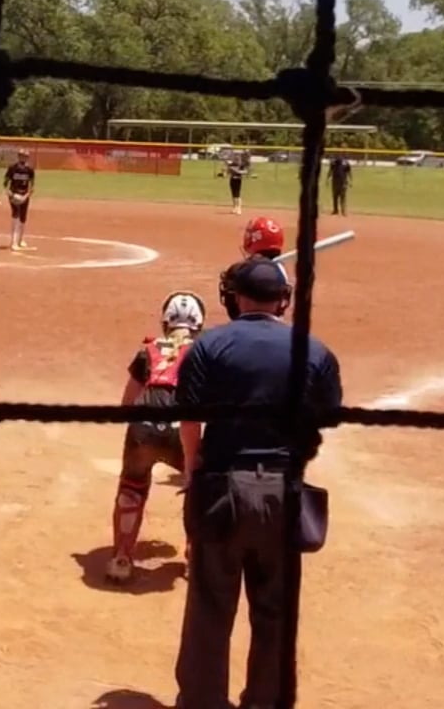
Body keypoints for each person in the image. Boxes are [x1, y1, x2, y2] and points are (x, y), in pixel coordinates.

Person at [173, 256, 343, 709]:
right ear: (283, 301)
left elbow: (189, 418)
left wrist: (192, 468)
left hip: (222, 488)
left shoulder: (209, 346)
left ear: (236, 298)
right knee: (276, 611)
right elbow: (327, 417)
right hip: (283, 494)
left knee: (210, 605)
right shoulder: (315, 351)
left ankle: (202, 701)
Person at [105, 290, 207, 584]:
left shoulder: (147, 352)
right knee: (199, 488)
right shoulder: (206, 353)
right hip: (182, 431)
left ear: (165, 322)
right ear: (199, 325)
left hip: (143, 429)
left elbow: (127, 404)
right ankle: (195, 557)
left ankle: (121, 558)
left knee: (132, 487)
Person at [4, 148, 36, 252]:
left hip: (24, 195)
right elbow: (6, 182)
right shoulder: (12, 168)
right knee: (16, 215)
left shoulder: (30, 169)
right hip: (14, 195)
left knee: (23, 217)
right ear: (18, 156)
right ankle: (13, 242)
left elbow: (32, 185)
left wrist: (26, 195)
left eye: (25, 156)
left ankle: (20, 240)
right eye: (21, 156)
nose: (23, 158)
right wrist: (9, 192)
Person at [221, 148, 251, 215]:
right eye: (236, 156)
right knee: (233, 194)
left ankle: (239, 209)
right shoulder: (232, 164)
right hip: (232, 179)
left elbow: (245, 172)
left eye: (238, 156)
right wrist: (225, 172)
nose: (237, 157)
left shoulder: (241, 165)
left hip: (238, 179)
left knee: (237, 194)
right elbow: (228, 170)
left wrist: (238, 171)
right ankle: (234, 208)